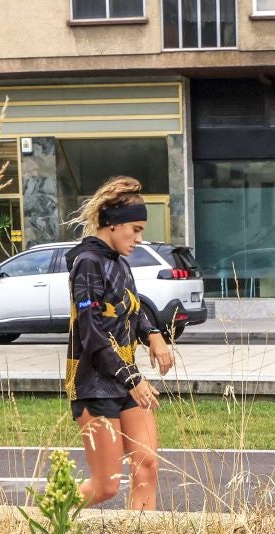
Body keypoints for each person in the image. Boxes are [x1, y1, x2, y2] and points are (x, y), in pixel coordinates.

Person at [64, 176, 174, 510]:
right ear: (112, 223)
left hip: (125, 380)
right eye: (135, 230)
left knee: (147, 464)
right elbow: (91, 332)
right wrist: (133, 378)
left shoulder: (119, 263)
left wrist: (154, 335)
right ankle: (44, 518)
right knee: (106, 486)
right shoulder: (87, 263)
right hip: (93, 385)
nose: (139, 239)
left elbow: (133, 309)